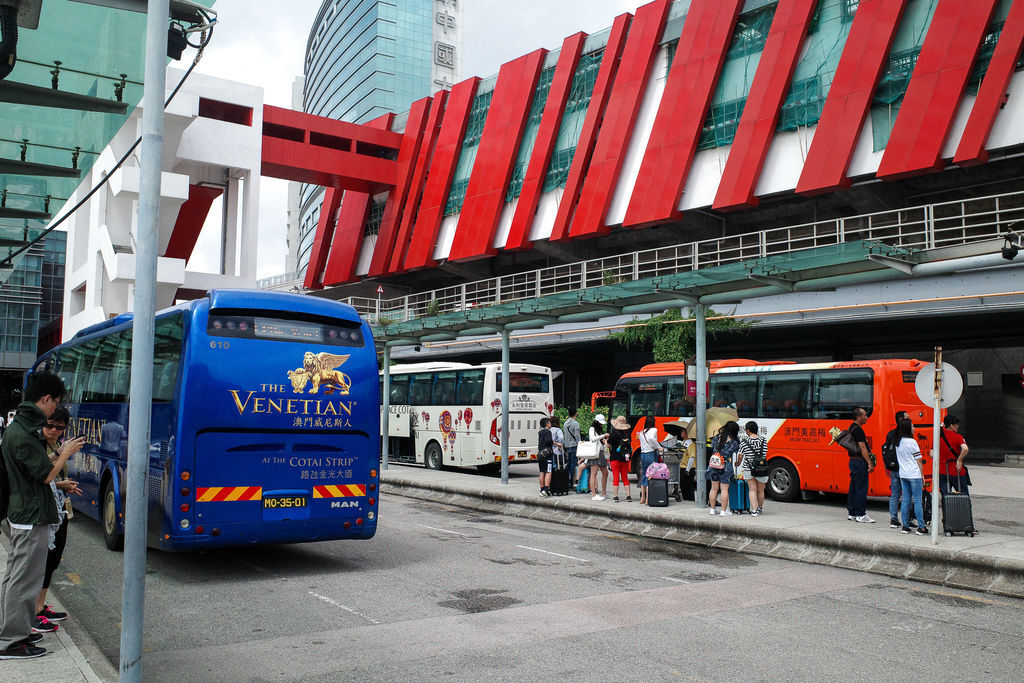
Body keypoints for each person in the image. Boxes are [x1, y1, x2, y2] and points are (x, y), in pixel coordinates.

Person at [0, 372, 84, 659]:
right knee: (23, 581)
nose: (55, 410)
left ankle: (14, 633)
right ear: (45, 399)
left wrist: (56, 453)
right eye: (55, 403)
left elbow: (34, 467)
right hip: (30, 515)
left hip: (25, 512)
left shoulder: (21, 428)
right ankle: (11, 641)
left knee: (17, 578)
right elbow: (46, 475)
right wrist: (66, 452)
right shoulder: (23, 433)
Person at [35, 407, 81, 626]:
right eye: (49, 425)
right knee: (42, 561)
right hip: (43, 511)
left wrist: (62, 485)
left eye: (59, 427)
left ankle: (41, 605)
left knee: (53, 559)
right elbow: (41, 475)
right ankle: (34, 612)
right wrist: (62, 457)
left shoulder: (56, 444)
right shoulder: (35, 444)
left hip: (60, 506)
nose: (53, 431)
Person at [896, 418, 929, 536]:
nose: (914, 428)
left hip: (903, 474)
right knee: (918, 501)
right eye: (913, 426)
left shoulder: (898, 442)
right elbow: (919, 460)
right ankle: (921, 527)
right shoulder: (912, 442)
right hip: (914, 475)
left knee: (905, 500)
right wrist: (922, 475)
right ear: (908, 428)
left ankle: (905, 526)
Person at [846, 408, 875, 523]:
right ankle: (861, 514)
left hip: (853, 461)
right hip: (859, 461)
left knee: (853, 487)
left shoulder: (851, 428)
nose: (866, 417)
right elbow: (862, 447)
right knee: (861, 488)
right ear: (858, 417)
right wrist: (869, 462)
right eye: (864, 415)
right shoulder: (858, 430)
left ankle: (852, 512)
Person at [706, 421, 739, 516]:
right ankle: (723, 511)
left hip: (713, 465)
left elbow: (712, 447)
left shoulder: (716, 437)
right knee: (724, 489)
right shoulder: (734, 441)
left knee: (713, 488)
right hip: (726, 466)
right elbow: (736, 450)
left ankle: (712, 510)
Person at [883, 411, 909, 528]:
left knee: (895, 495)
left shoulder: (891, 434)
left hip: (894, 468)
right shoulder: (906, 435)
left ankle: (893, 519)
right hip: (904, 469)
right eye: (907, 418)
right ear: (901, 420)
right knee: (907, 495)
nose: (909, 420)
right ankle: (907, 520)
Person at [737, 421, 767, 516]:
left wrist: (737, 463)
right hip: (762, 468)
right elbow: (764, 454)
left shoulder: (744, 442)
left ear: (748, 430)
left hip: (748, 468)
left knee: (752, 489)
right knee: (761, 490)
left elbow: (740, 456)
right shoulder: (763, 440)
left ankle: (754, 511)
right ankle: (760, 508)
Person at [938, 414, 970, 497]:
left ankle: (947, 510)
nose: (958, 426)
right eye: (956, 425)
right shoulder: (958, 437)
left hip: (942, 471)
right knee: (964, 496)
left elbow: (931, 454)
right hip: (956, 470)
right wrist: (959, 460)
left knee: (945, 497)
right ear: (951, 425)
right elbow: (965, 449)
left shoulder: (939, 437)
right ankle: (965, 510)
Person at [607, 416, 633, 503]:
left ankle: (616, 497)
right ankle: (628, 496)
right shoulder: (628, 433)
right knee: (625, 477)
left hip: (615, 458)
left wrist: (605, 440)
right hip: (625, 458)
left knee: (616, 477)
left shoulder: (614, 433)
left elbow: (608, 444)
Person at [637, 416, 661, 505]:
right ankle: (648, 499)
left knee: (644, 475)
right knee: (650, 476)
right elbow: (651, 439)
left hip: (643, 454)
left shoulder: (642, 432)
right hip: (650, 454)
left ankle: (642, 498)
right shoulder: (654, 430)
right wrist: (658, 447)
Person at [587, 415, 610, 501]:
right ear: (597, 422)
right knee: (594, 473)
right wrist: (603, 436)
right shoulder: (592, 429)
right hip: (595, 453)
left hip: (600, 452)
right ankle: (593, 494)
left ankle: (603, 493)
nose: (602, 425)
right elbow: (592, 439)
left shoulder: (598, 430)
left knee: (605, 472)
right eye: (601, 423)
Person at [563, 408, 581, 487]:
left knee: (568, 464)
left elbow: (565, 435)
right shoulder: (575, 423)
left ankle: (566, 480)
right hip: (574, 445)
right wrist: (580, 444)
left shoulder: (565, 423)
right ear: (576, 413)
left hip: (567, 446)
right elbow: (577, 435)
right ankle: (572, 482)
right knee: (574, 464)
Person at [537, 417, 553, 497]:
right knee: (548, 471)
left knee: (542, 472)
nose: (550, 424)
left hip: (541, 454)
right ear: (547, 424)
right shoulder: (548, 432)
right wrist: (553, 442)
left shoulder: (540, 432)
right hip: (547, 455)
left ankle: (542, 489)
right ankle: (546, 489)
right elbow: (548, 441)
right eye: (549, 423)